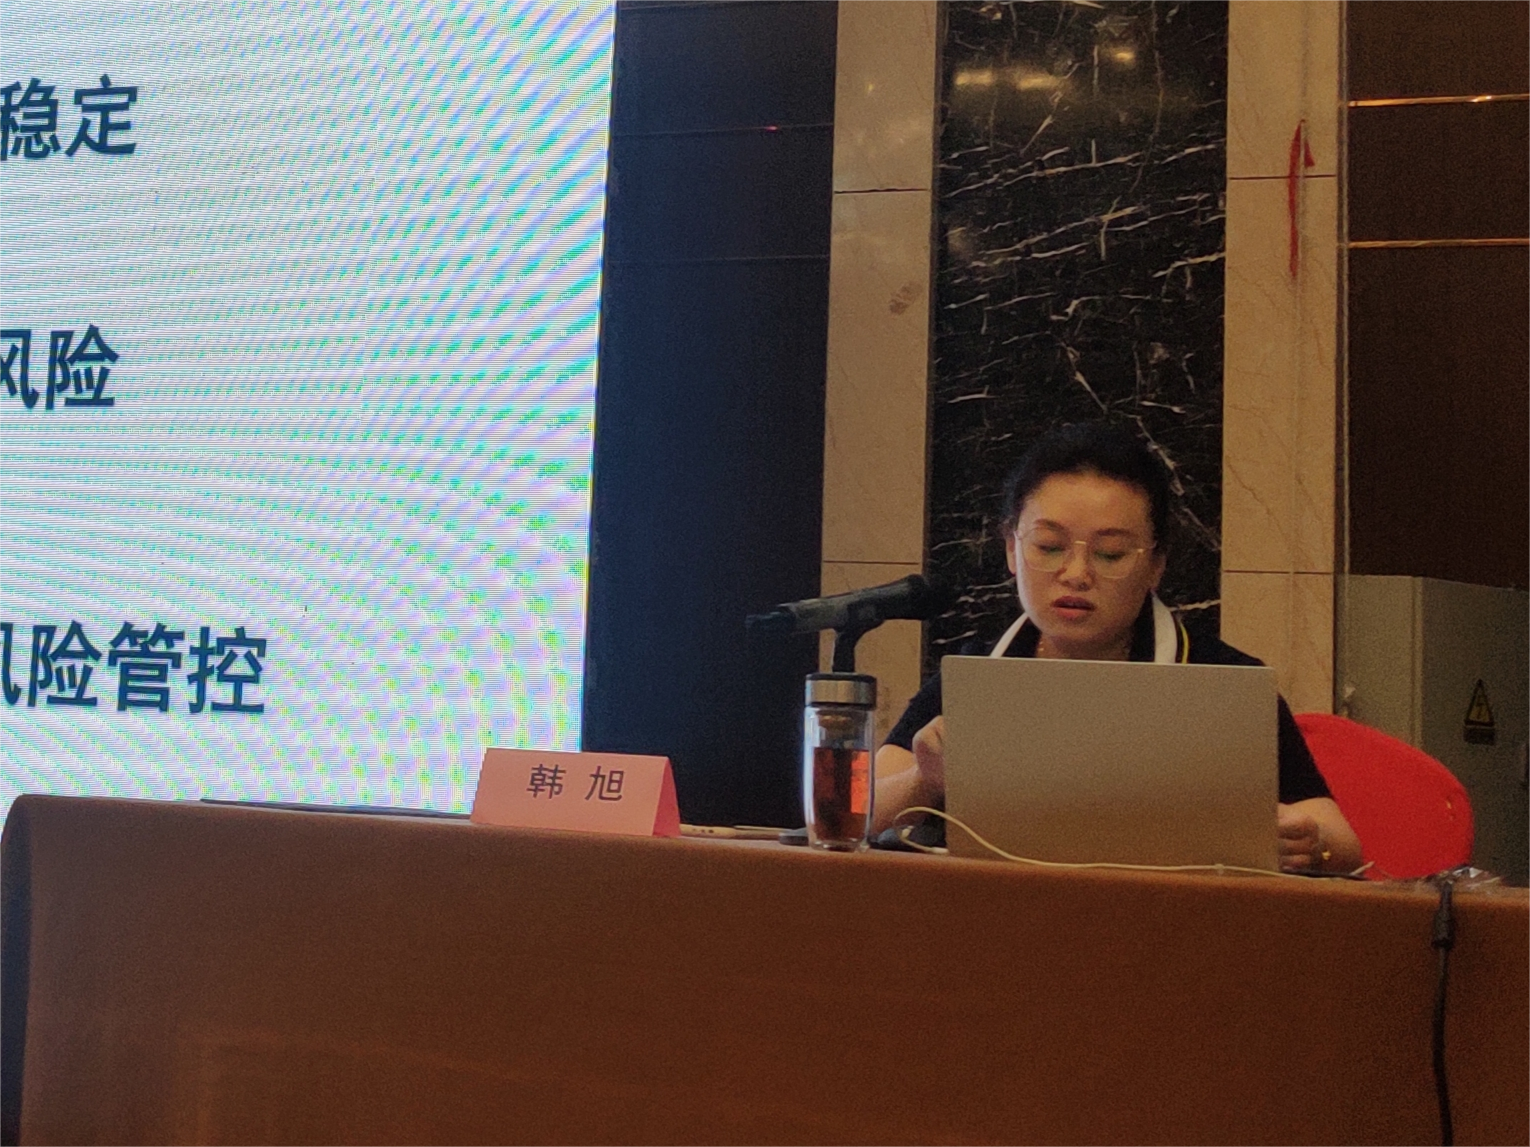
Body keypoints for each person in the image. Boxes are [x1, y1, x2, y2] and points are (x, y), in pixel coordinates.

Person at [872, 423, 1362, 873]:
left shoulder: (1223, 679)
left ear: (1156, 565)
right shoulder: (976, 672)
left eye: (1110, 554)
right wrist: (924, 780)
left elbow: (1342, 839)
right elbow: (862, 810)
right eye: (1049, 546)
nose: (1076, 574)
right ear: (1011, 549)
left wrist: (1310, 840)